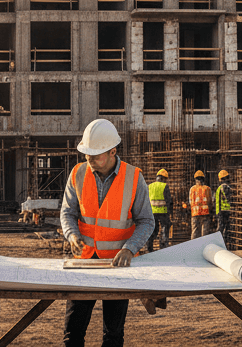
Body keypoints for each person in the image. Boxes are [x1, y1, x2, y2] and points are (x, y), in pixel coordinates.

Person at [60, 119, 154, 347]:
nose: (89, 159)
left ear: (113, 151)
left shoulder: (133, 178)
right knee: (73, 334)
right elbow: (67, 212)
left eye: (95, 154)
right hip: (84, 263)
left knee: (113, 335)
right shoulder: (77, 173)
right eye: (86, 154)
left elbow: (146, 222)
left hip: (118, 267)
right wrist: (71, 234)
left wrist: (129, 248)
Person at [147, 168, 172, 252]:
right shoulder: (164, 186)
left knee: (153, 230)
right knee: (165, 229)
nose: (166, 181)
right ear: (162, 178)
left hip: (152, 213)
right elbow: (169, 201)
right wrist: (170, 213)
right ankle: (163, 247)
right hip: (163, 212)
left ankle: (149, 247)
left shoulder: (150, 186)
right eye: (165, 179)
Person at [188, 170, 212, 239]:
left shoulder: (192, 189)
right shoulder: (207, 189)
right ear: (203, 179)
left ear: (195, 179)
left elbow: (190, 201)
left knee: (195, 231)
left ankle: (194, 247)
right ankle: (204, 247)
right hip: (205, 213)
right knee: (205, 232)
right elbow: (210, 201)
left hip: (195, 213)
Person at [215, 170, 234, 238]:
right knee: (225, 228)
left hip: (220, 211)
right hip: (225, 210)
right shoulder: (225, 187)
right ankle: (224, 242)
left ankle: (220, 242)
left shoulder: (219, 188)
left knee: (221, 228)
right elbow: (228, 198)